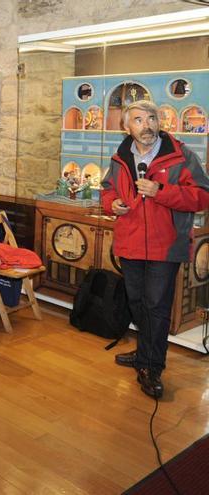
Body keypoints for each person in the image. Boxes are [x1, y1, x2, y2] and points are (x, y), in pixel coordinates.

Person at [101, 100, 209, 398]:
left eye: (151, 118)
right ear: (127, 127)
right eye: (138, 119)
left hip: (166, 245)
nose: (147, 124)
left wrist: (162, 192)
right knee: (137, 303)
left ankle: (152, 366)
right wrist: (113, 204)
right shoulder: (119, 156)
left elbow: (202, 196)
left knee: (156, 307)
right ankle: (143, 353)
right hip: (131, 242)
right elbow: (107, 189)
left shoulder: (181, 155)